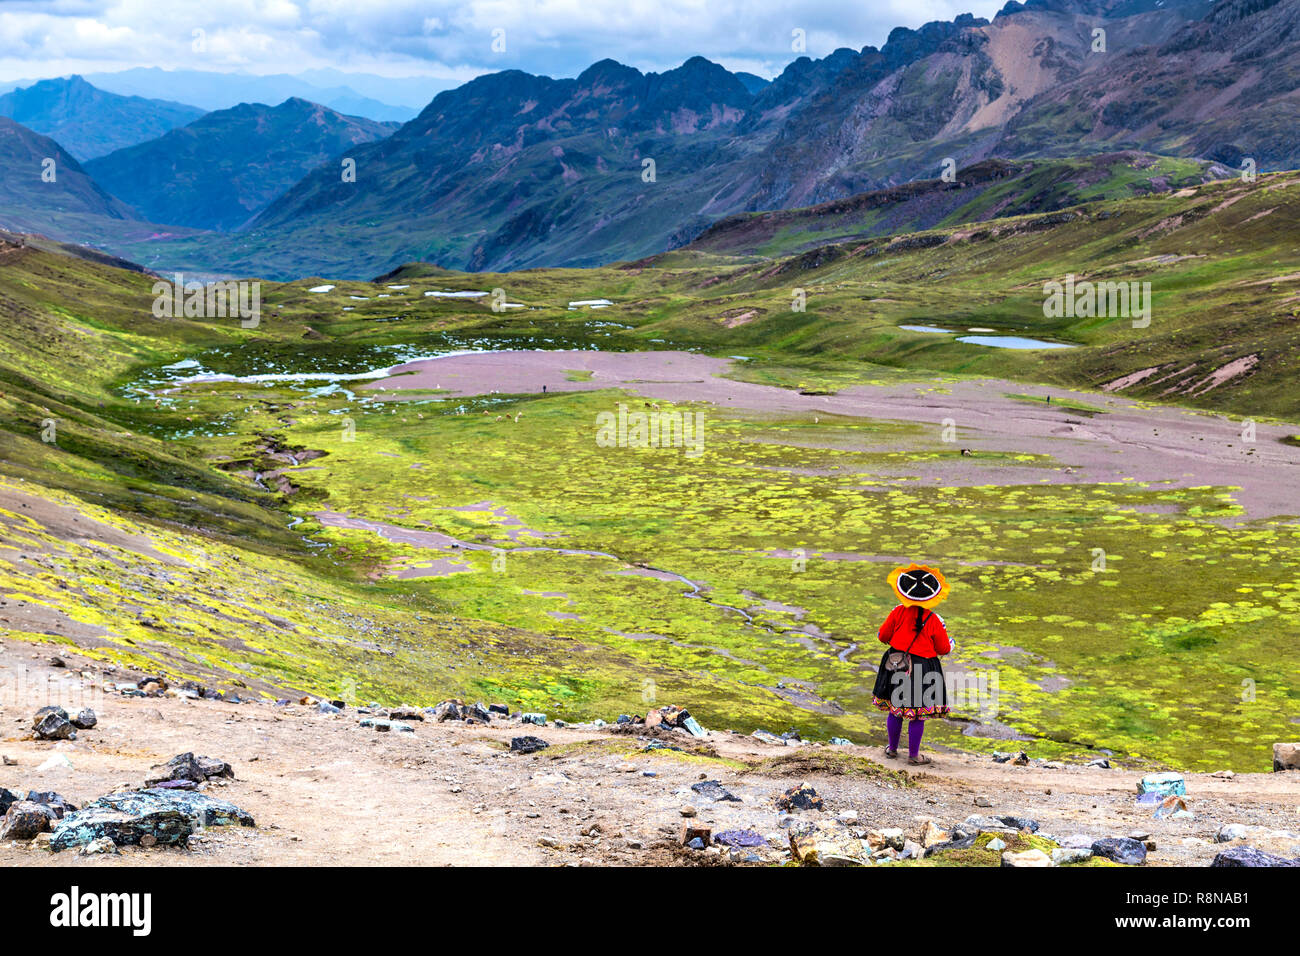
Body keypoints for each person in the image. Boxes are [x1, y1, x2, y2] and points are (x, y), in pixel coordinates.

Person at [871, 564, 953, 765]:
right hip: (924, 668)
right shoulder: (934, 619)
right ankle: (914, 756)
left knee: (895, 708)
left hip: (896, 663)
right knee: (918, 714)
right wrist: (951, 644)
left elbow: (883, 636)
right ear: (931, 596)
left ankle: (892, 749)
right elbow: (943, 649)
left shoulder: (897, 612)